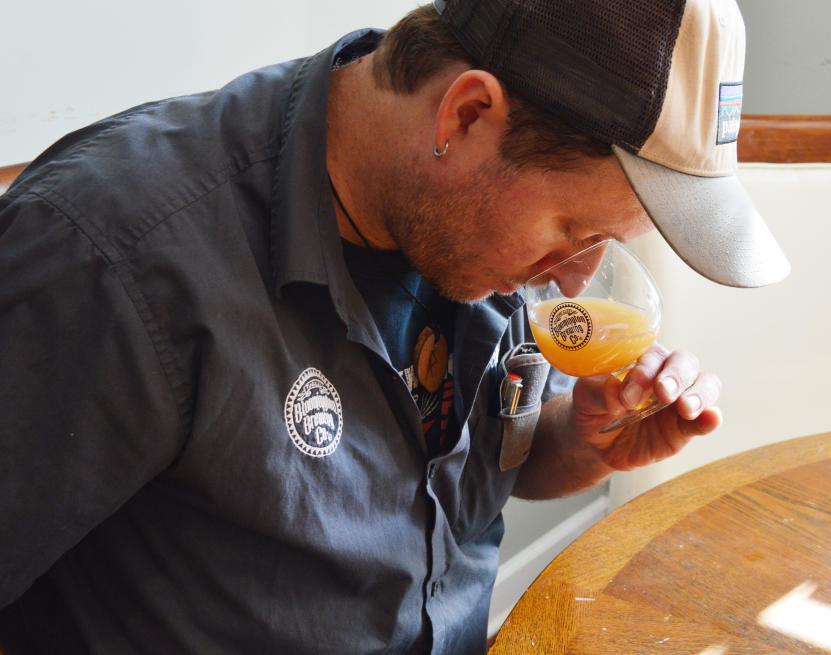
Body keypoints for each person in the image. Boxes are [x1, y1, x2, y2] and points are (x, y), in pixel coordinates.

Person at [0, 0, 789, 653]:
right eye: (571, 229)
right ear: (468, 112)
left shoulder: (460, 230)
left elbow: (442, 494)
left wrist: (578, 444)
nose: (576, 277)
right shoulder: (112, 258)